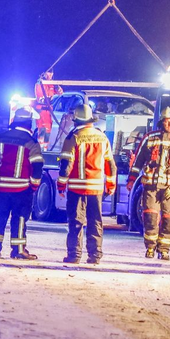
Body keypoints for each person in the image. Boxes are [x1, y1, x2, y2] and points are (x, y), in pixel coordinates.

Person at [126, 107, 170, 260]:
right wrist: (131, 179)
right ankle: (150, 248)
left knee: (169, 220)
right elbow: (138, 161)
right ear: (161, 122)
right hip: (151, 187)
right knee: (150, 218)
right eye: (166, 121)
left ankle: (164, 250)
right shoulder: (149, 139)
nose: (169, 124)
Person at [57, 105, 116, 264]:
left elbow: (66, 165)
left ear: (76, 119)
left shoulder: (73, 137)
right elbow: (110, 165)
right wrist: (110, 185)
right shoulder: (102, 137)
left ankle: (74, 255)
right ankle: (95, 255)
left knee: (76, 222)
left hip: (77, 189)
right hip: (96, 189)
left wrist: (61, 185)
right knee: (95, 221)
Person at [0, 107, 43, 259]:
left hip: (3, 187)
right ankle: (18, 250)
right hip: (22, 188)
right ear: (29, 122)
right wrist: (34, 184)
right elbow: (37, 165)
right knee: (20, 218)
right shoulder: (31, 142)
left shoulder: (2, 137)